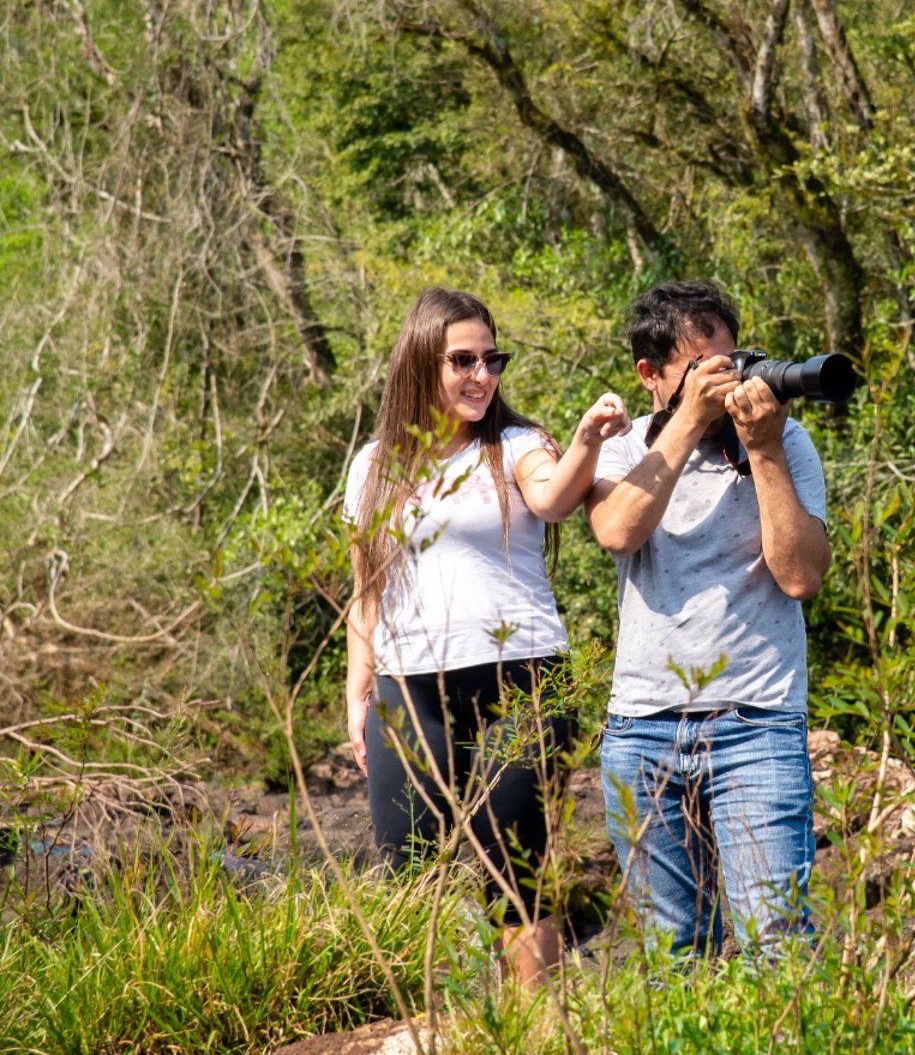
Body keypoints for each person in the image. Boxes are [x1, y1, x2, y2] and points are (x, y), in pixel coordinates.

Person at [342, 287, 630, 986]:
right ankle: (410, 1052)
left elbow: (554, 498)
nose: (481, 376)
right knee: (408, 874)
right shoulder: (375, 464)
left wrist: (587, 438)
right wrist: (358, 691)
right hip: (409, 689)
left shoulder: (519, 444)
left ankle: (535, 1047)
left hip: (521, 681)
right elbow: (367, 588)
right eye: (461, 360)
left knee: (517, 872)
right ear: (420, 363)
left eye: (491, 359)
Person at [585, 280, 831, 956]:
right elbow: (617, 530)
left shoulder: (786, 443)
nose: (724, 383)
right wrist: (688, 421)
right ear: (650, 375)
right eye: (701, 370)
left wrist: (766, 451)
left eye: (732, 361)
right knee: (671, 955)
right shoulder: (623, 446)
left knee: (777, 948)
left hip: (757, 720)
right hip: (644, 725)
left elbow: (800, 575)